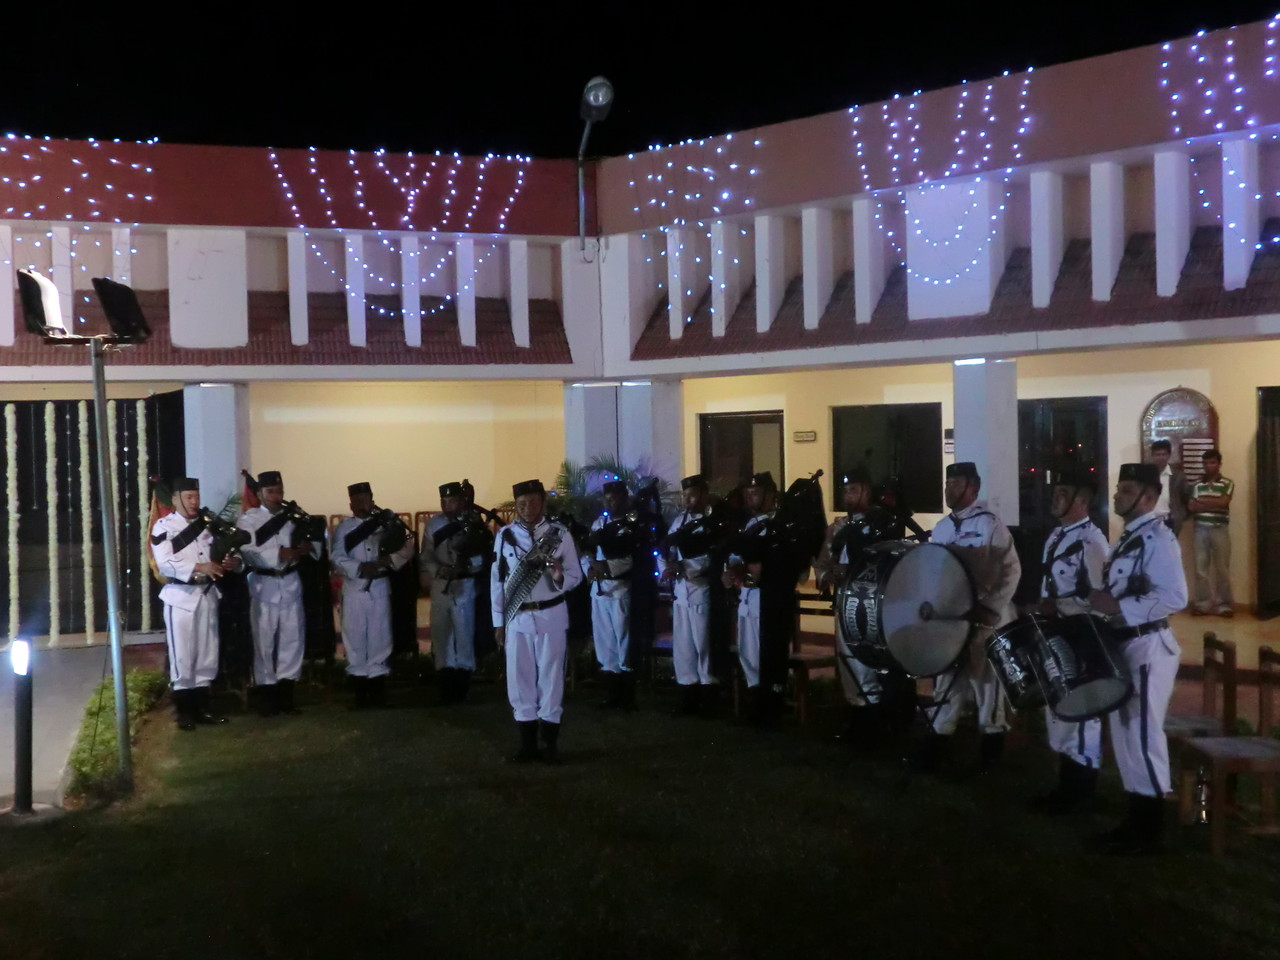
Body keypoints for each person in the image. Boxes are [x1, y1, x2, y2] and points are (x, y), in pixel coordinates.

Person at [1089, 462, 1188, 855]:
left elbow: (1174, 597)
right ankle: (1136, 818)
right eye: (1118, 489)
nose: (1117, 496)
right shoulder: (1131, 536)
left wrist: (1120, 606)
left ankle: (1149, 829)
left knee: (1144, 736)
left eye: (1127, 490)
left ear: (1148, 497)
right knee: (1127, 732)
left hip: (1148, 647)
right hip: (1125, 644)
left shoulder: (1158, 539)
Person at [923, 462, 1022, 771]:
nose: (949, 489)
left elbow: (1010, 570)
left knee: (986, 686)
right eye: (948, 483)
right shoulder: (941, 528)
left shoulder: (989, 525)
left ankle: (990, 752)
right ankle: (937, 745)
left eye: (957, 483)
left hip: (985, 620)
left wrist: (990, 608)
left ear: (973, 488)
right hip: (952, 620)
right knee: (946, 681)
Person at [1030, 469, 1110, 813]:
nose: (1055, 498)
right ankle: (1065, 785)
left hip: (1080, 632)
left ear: (1081, 501)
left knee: (1080, 711)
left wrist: (1063, 606)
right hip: (1057, 630)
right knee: (1059, 707)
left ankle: (1080, 788)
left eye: (1063, 493)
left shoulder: (1093, 542)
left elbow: (1099, 595)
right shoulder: (1057, 536)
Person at [492, 479, 583, 763]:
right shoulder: (505, 536)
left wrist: (559, 577)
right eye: (521, 504)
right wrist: (499, 622)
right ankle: (528, 745)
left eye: (532, 502)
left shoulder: (559, 534)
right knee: (519, 681)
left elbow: (576, 574)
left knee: (551, 677)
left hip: (552, 614)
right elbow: (497, 581)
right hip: (517, 618)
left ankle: (551, 745)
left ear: (542, 501)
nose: (526, 508)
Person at [150, 478, 239, 730]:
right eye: (188, 497)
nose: (194, 502)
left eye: (196, 497)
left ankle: (203, 707)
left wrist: (230, 562)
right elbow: (164, 562)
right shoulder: (164, 526)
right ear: (175, 499)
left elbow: (223, 552)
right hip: (180, 597)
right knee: (183, 656)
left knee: (206, 654)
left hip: (207, 594)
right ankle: (185, 711)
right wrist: (200, 566)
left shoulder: (207, 524)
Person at [816, 467, 898, 741]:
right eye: (845, 490)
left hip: (870, 604)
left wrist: (850, 572)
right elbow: (823, 560)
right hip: (844, 601)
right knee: (848, 660)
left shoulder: (881, 521)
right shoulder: (839, 527)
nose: (847, 495)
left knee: (867, 661)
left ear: (866, 491)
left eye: (853, 490)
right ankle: (857, 716)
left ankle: (873, 720)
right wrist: (829, 574)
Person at [236, 471, 320, 716]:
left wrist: (307, 548)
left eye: (279, 491)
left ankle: (286, 696)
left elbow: (313, 542)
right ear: (260, 494)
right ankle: (266, 696)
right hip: (264, 584)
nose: (276, 496)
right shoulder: (249, 520)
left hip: (291, 582)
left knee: (292, 639)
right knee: (264, 641)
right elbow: (247, 551)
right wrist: (278, 554)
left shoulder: (293, 516)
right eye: (271, 491)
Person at [331, 482, 416, 708]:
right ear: (351, 504)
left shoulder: (387, 523)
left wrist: (390, 561)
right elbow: (337, 556)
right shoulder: (344, 529)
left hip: (379, 587)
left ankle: (377, 692)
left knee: (380, 637)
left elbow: (408, 545)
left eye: (365, 499)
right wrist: (359, 568)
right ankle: (360, 694)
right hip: (355, 589)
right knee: (355, 638)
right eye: (357, 501)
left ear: (372, 498)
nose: (361, 504)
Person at [420, 481, 493, 703]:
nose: (447, 505)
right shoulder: (434, 524)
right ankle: (445, 684)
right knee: (441, 636)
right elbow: (426, 554)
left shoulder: (474, 523)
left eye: (451, 501)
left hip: (465, 587)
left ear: (461, 501)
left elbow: (485, 555)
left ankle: (462, 686)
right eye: (444, 501)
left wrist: (468, 565)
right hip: (441, 586)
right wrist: (437, 569)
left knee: (463, 636)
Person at [659, 474, 718, 716]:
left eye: (692, 495)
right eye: (685, 495)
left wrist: (686, 566)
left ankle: (708, 696)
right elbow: (665, 548)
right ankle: (688, 694)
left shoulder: (712, 521)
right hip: (681, 592)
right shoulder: (679, 521)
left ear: (703, 495)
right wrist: (667, 567)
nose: (687, 499)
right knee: (683, 647)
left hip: (701, 588)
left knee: (703, 645)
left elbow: (713, 555)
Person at [724, 472, 777, 722]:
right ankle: (753, 703)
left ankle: (765, 708)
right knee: (747, 653)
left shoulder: (775, 524)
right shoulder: (749, 524)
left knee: (761, 654)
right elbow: (737, 555)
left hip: (763, 597)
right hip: (746, 595)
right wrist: (730, 570)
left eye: (756, 492)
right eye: (748, 493)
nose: (750, 497)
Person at [582, 480, 637, 710]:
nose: (612, 502)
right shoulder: (599, 523)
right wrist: (589, 567)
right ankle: (611, 693)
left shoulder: (630, 524)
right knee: (605, 643)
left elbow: (631, 557)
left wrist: (605, 568)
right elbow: (587, 550)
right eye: (608, 498)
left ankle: (627, 696)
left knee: (623, 642)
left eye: (616, 497)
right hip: (599, 589)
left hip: (620, 588)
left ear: (624, 498)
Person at [1188, 448, 1234, 618]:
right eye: (1206, 463)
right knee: (1201, 569)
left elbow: (1223, 502)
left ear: (1219, 464)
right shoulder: (1197, 485)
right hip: (1200, 529)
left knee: (1222, 569)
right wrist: (1213, 502)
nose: (1209, 466)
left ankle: (1224, 605)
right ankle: (1202, 605)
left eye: (1212, 462)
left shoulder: (1227, 483)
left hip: (1219, 529)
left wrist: (1202, 501)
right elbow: (1192, 507)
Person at [1149, 439, 1188, 535]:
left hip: (1170, 521)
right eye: (1157, 454)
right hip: (1149, 520)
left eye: (1164, 454)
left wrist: (1181, 515)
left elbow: (1185, 497)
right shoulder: (1146, 475)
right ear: (1152, 456)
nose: (1161, 457)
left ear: (1169, 455)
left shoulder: (1178, 476)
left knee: (1169, 549)